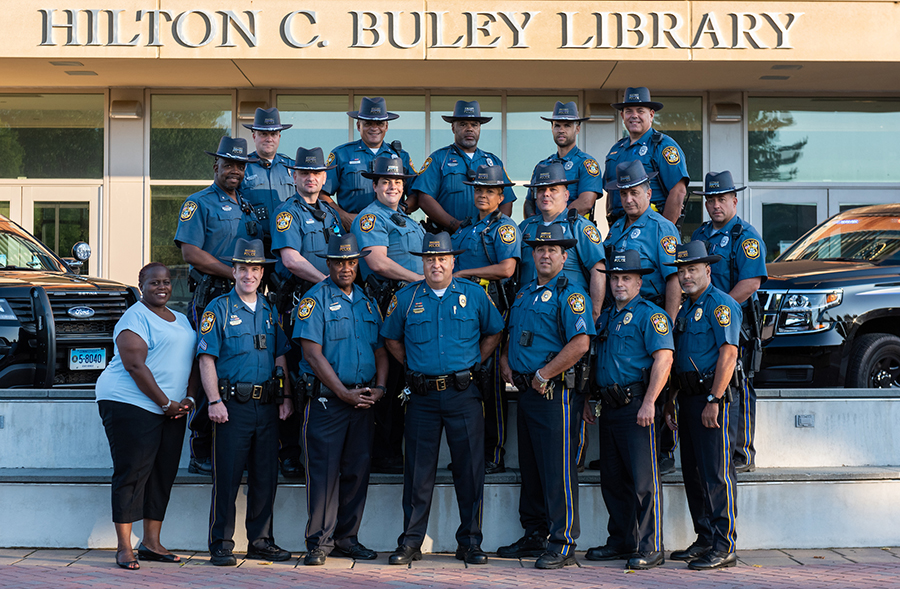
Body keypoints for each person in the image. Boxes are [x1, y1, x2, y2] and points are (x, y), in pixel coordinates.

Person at [381, 232, 505, 566]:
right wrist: (413, 365)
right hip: (421, 397)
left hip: (463, 394)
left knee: (470, 472)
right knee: (418, 475)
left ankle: (471, 542)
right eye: (430, 259)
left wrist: (475, 362)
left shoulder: (474, 295)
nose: (436, 264)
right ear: (422, 262)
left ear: (453, 261)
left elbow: (494, 330)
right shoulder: (406, 297)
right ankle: (410, 542)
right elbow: (391, 337)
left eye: (442, 258)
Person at [498, 224, 594, 570]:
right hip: (526, 391)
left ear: (564, 256)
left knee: (558, 470)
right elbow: (512, 334)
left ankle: (563, 541)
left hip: (554, 393)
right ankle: (535, 533)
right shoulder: (524, 293)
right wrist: (507, 360)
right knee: (533, 468)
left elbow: (581, 342)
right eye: (540, 249)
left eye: (553, 249)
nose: (545, 254)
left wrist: (545, 373)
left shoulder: (572, 295)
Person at [196, 238, 294, 567]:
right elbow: (206, 358)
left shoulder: (269, 310)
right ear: (234, 272)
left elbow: (279, 355)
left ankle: (261, 541)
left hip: (266, 406)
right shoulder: (219, 309)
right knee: (227, 477)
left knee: (265, 476)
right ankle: (221, 542)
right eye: (243, 269)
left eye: (255, 269)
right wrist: (213, 401)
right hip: (231, 407)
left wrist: (285, 396)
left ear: (262, 272)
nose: (249, 275)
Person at [95, 262, 198, 570]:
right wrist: (165, 402)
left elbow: (193, 361)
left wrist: (188, 398)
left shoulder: (180, 320)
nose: (162, 287)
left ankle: (152, 543)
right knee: (132, 472)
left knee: (163, 472)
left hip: (172, 408)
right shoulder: (134, 318)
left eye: (166, 282)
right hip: (130, 403)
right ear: (142, 286)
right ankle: (124, 547)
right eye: (154, 283)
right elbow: (135, 366)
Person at [293, 234, 388, 566]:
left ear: (357, 264)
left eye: (351, 262)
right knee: (323, 474)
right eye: (338, 262)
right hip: (328, 403)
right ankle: (319, 541)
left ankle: (347, 538)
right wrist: (341, 392)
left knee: (356, 472)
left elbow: (380, 349)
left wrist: (380, 386)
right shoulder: (314, 299)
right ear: (329, 264)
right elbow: (313, 355)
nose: (345, 268)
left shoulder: (365, 300)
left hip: (362, 399)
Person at [174, 136, 262, 476]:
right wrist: (234, 273)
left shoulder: (249, 205)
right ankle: (200, 447)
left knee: (237, 366)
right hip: (211, 295)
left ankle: (231, 446)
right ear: (216, 167)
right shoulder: (199, 203)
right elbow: (190, 253)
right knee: (204, 363)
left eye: (240, 166)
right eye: (228, 165)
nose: (235, 171)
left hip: (246, 296)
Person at [582, 250, 673, 571]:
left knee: (642, 482)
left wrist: (650, 402)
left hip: (637, 406)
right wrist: (587, 400)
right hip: (608, 406)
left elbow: (664, 359)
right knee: (613, 479)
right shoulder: (605, 317)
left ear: (639, 281)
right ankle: (621, 539)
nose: (619, 284)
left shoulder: (651, 315)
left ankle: (650, 546)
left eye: (626, 279)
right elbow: (596, 362)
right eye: (615, 278)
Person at [664, 240, 741, 570]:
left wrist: (715, 398)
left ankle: (725, 545)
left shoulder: (720, 305)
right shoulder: (686, 308)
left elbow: (729, 353)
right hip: (688, 399)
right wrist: (670, 401)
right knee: (694, 474)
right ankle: (705, 537)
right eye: (681, 271)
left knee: (716, 474)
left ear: (707, 270)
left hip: (712, 399)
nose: (686, 276)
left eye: (692, 269)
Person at [602, 159, 681, 475]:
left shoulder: (662, 228)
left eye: (635, 192)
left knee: (654, 386)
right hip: (622, 317)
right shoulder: (617, 227)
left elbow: (673, 279)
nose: (629, 199)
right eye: (624, 194)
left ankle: (662, 451)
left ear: (649, 192)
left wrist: (669, 323)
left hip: (651, 317)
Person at [269, 146, 341, 480]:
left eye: (316, 173)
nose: (311, 178)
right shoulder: (288, 212)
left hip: (333, 307)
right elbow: (290, 259)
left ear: (324, 177)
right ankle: (288, 453)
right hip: (299, 304)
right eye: (304, 173)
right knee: (294, 380)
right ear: (294, 176)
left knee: (326, 375)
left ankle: (319, 452)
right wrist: (329, 281)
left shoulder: (332, 213)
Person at [352, 155, 426, 474]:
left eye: (397, 182)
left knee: (408, 376)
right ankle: (383, 452)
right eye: (386, 182)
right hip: (387, 304)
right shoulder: (371, 218)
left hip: (412, 306)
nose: (392, 187)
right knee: (388, 376)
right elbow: (378, 263)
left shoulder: (407, 219)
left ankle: (396, 449)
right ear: (375, 185)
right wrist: (422, 281)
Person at [691, 171, 767, 473]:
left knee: (739, 382)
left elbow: (751, 283)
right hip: (703, 325)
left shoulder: (745, 236)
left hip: (735, 321)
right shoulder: (700, 236)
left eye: (721, 199)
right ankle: (720, 447)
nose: (715, 205)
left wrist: (720, 312)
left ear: (734, 200)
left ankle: (742, 451)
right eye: (710, 200)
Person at [450, 164, 520, 474]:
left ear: (500, 195)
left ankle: (494, 453)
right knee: (465, 383)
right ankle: (468, 454)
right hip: (462, 314)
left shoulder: (504, 227)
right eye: (478, 189)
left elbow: (507, 269)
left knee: (489, 384)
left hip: (491, 308)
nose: (482, 195)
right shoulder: (465, 228)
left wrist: (464, 273)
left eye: (489, 191)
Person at [519, 162, 606, 322]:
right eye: (541, 190)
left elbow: (598, 269)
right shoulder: (525, 228)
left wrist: (594, 314)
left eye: (553, 190)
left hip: (568, 315)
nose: (546, 194)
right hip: (529, 313)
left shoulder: (579, 227)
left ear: (566, 195)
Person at [412, 100, 516, 232]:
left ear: (479, 128)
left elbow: (506, 200)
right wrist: (455, 225)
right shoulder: (439, 159)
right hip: (447, 238)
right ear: (453, 128)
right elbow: (424, 198)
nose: (469, 129)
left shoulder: (493, 161)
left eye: (474, 125)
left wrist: (494, 228)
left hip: (485, 240)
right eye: (463, 124)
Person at [322, 97, 417, 231]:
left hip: (393, 229)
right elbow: (322, 193)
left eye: (379, 123)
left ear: (386, 126)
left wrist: (402, 209)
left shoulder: (401, 156)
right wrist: (343, 216)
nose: (374, 128)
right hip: (353, 229)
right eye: (368, 123)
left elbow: (417, 194)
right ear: (358, 126)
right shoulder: (342, 154)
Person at [603, 88, 689, 228]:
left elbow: (678, 192)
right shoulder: (616, 150)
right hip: (619, 229)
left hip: (650, 227)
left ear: (651, 114)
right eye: (629, 111)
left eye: (640, 111)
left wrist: (663, 231)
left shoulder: (663, 146)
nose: (634, 115)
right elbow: (611, 193)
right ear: (622, 115)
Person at [523, 101, 603, 218]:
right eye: (557, 125)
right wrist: (534, 224)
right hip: (540, 232)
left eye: (567, 125)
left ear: (577, 129)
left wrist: (554, 222)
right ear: (551, 128)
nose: (561, 130)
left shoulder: (586, 164)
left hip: (572, 232)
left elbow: (586, 202)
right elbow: (530, 202)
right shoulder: (542, 165)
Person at [240, 107, 296, 245]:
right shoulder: (242, 167)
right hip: (253, 243)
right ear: (254, 136)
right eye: (263, 134)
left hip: (287, 242)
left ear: (279, 137)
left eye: (273, 134)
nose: (269, 139)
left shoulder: (292, 167)